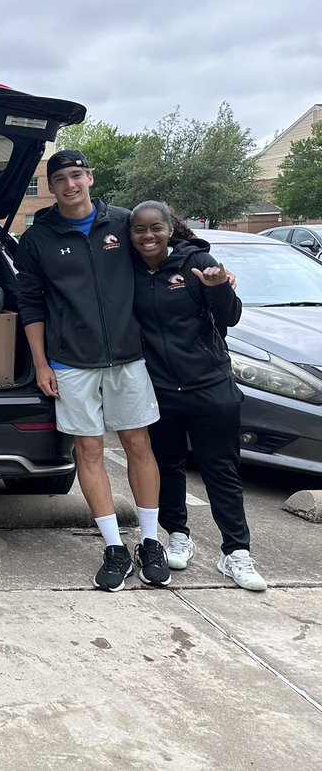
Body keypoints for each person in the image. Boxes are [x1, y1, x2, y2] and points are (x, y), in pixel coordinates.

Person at [16, 149, 170, 591]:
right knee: (88, 450)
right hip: (70, 363)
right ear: (51, 185)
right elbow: (31, 304)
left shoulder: (124, 222)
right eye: (61, 178)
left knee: (139, 444)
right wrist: (42, 363)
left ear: (91, 178)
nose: (70, 185)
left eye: (77, 175)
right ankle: (113, 548)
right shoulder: (38, 238)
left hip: (127, 357)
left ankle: (149, 541)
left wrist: (213, 269)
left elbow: (171, 244)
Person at [129, 201, 267, 591]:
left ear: (170, 229)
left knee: (220, 469)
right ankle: (178, 535)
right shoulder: (129, 270)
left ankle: (236, 551)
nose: (148, 236)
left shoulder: (197, 262)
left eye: (156, 228)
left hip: (210, 386)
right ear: (132, 234)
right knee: (169, 466)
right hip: (160, 389)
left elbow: (229, 317)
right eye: (140, 230)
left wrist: (219, 287)